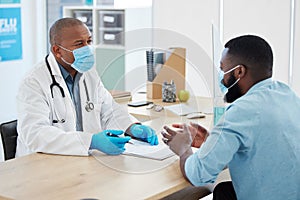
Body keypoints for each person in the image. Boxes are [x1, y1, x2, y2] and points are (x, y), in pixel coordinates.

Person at [162, 35, 300, 200]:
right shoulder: (287, 94)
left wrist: (183, 148)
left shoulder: (241, 111)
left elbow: (198, 174)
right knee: (224, 191)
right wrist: (210, 142)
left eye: (223, 69)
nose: (222, 77)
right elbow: (262, 147)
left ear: (239, 71)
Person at [16, 17, 158, 157]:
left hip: (83, 161)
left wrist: (131, 127)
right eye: (79, 44)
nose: (88, 48)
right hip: (43, 163)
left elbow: (109, 111)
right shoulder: (34, 82)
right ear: (57, 51)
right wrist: (91, 142)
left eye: (89, 41)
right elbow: (34, 134)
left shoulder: (89, 73)